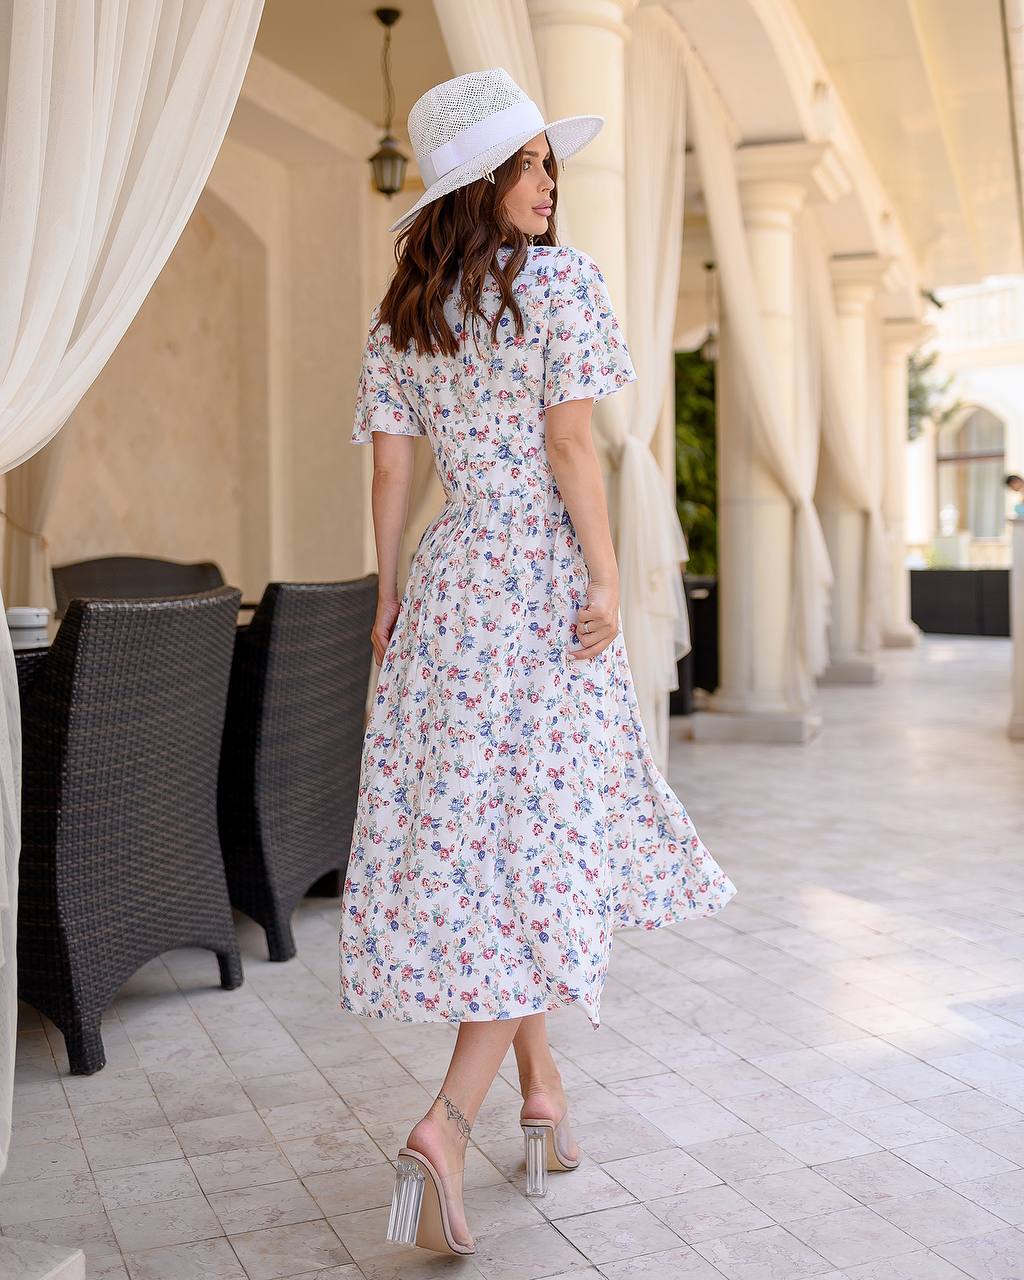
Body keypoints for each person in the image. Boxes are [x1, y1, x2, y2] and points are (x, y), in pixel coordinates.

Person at [339, 67, 737, 1257]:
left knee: (493, 844)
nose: (549, 186)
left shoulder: (405, 312)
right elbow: (573, 443)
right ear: (483, 184)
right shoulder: (561, 285)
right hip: (540, 586)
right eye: (531, 167)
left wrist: (391, 587)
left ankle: (542, 1090)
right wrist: (607, 578)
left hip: (453, 586)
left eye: (550, 166)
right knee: (547, 849)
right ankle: (446, 1122)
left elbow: (391, 475)